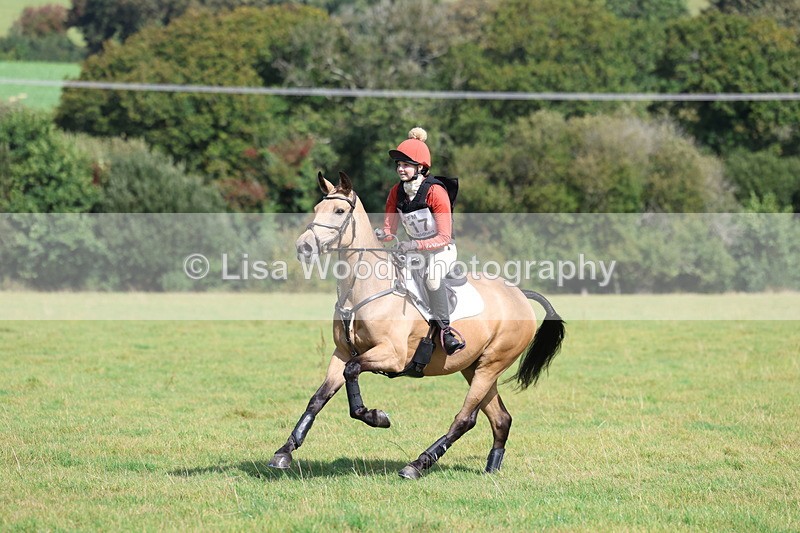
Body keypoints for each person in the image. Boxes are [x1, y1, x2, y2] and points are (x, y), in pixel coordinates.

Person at [375, 127, 465, 355]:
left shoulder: (435, 192)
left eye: (406, 165)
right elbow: (389, 230)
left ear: (421, 167)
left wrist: (414, 245)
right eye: (398, 165)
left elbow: (444, 237)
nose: (400, 169)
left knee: (433, 279)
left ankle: (446, 331)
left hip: (441, 250)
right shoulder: (397, 192)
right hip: (414, 252)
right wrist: (377, 235)